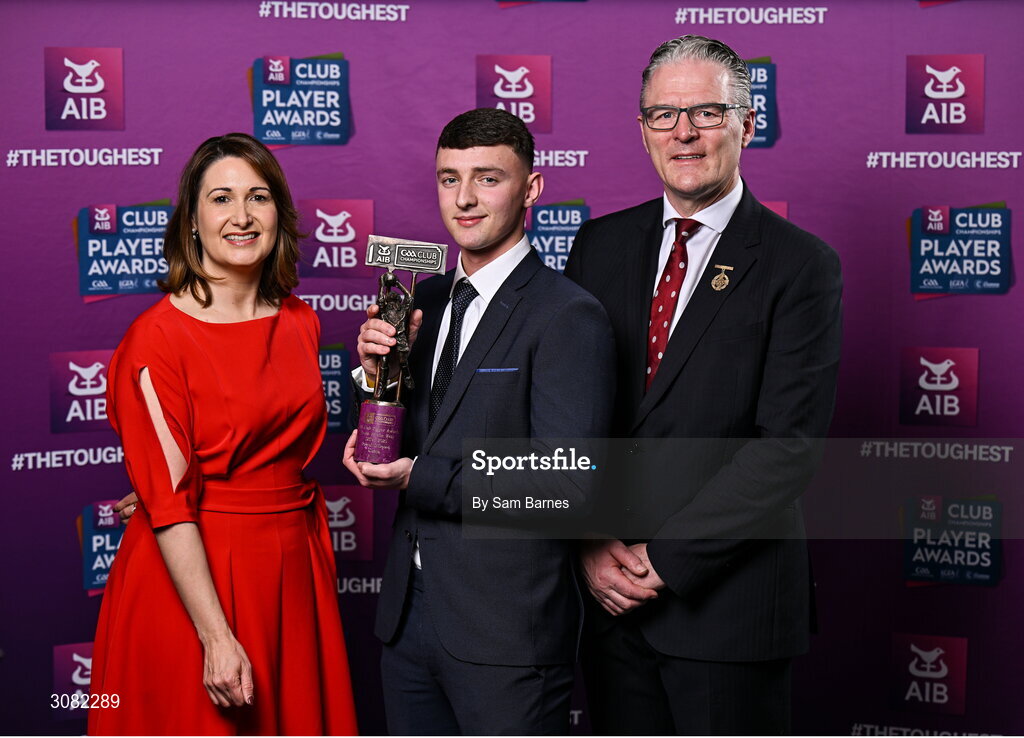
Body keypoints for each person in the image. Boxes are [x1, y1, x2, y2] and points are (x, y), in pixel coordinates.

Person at [563, 35, 843, 735]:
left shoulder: (801, 266)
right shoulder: (598, 246)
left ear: (748, 125)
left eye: (706, 113)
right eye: (664, 115)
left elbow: (786, 449)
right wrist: (587, 538)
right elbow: (568, 411)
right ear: (643, 130)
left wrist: (664, 561)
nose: (683, 132)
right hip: (608, 605)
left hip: (730, 614)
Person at [343, 108, 616, 735]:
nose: (464, 199)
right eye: (449, 179)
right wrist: (372, 376)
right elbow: (402, 433)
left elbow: (564, 484)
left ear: (531, 188)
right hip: (407, 620)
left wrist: (416, 477)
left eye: (487, 178)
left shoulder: (566, 314)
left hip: (505, 633)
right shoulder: (423, 299)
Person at [88, 133, 358, 735]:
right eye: (221, 199)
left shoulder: (300, 319)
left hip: (292, 566)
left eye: (258, 197)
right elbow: (170, 503)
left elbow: (265, 441)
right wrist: (215, 636)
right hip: (197, 580)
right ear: (191, 220)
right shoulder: (157, 338)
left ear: (278, 214)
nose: (241, 216)